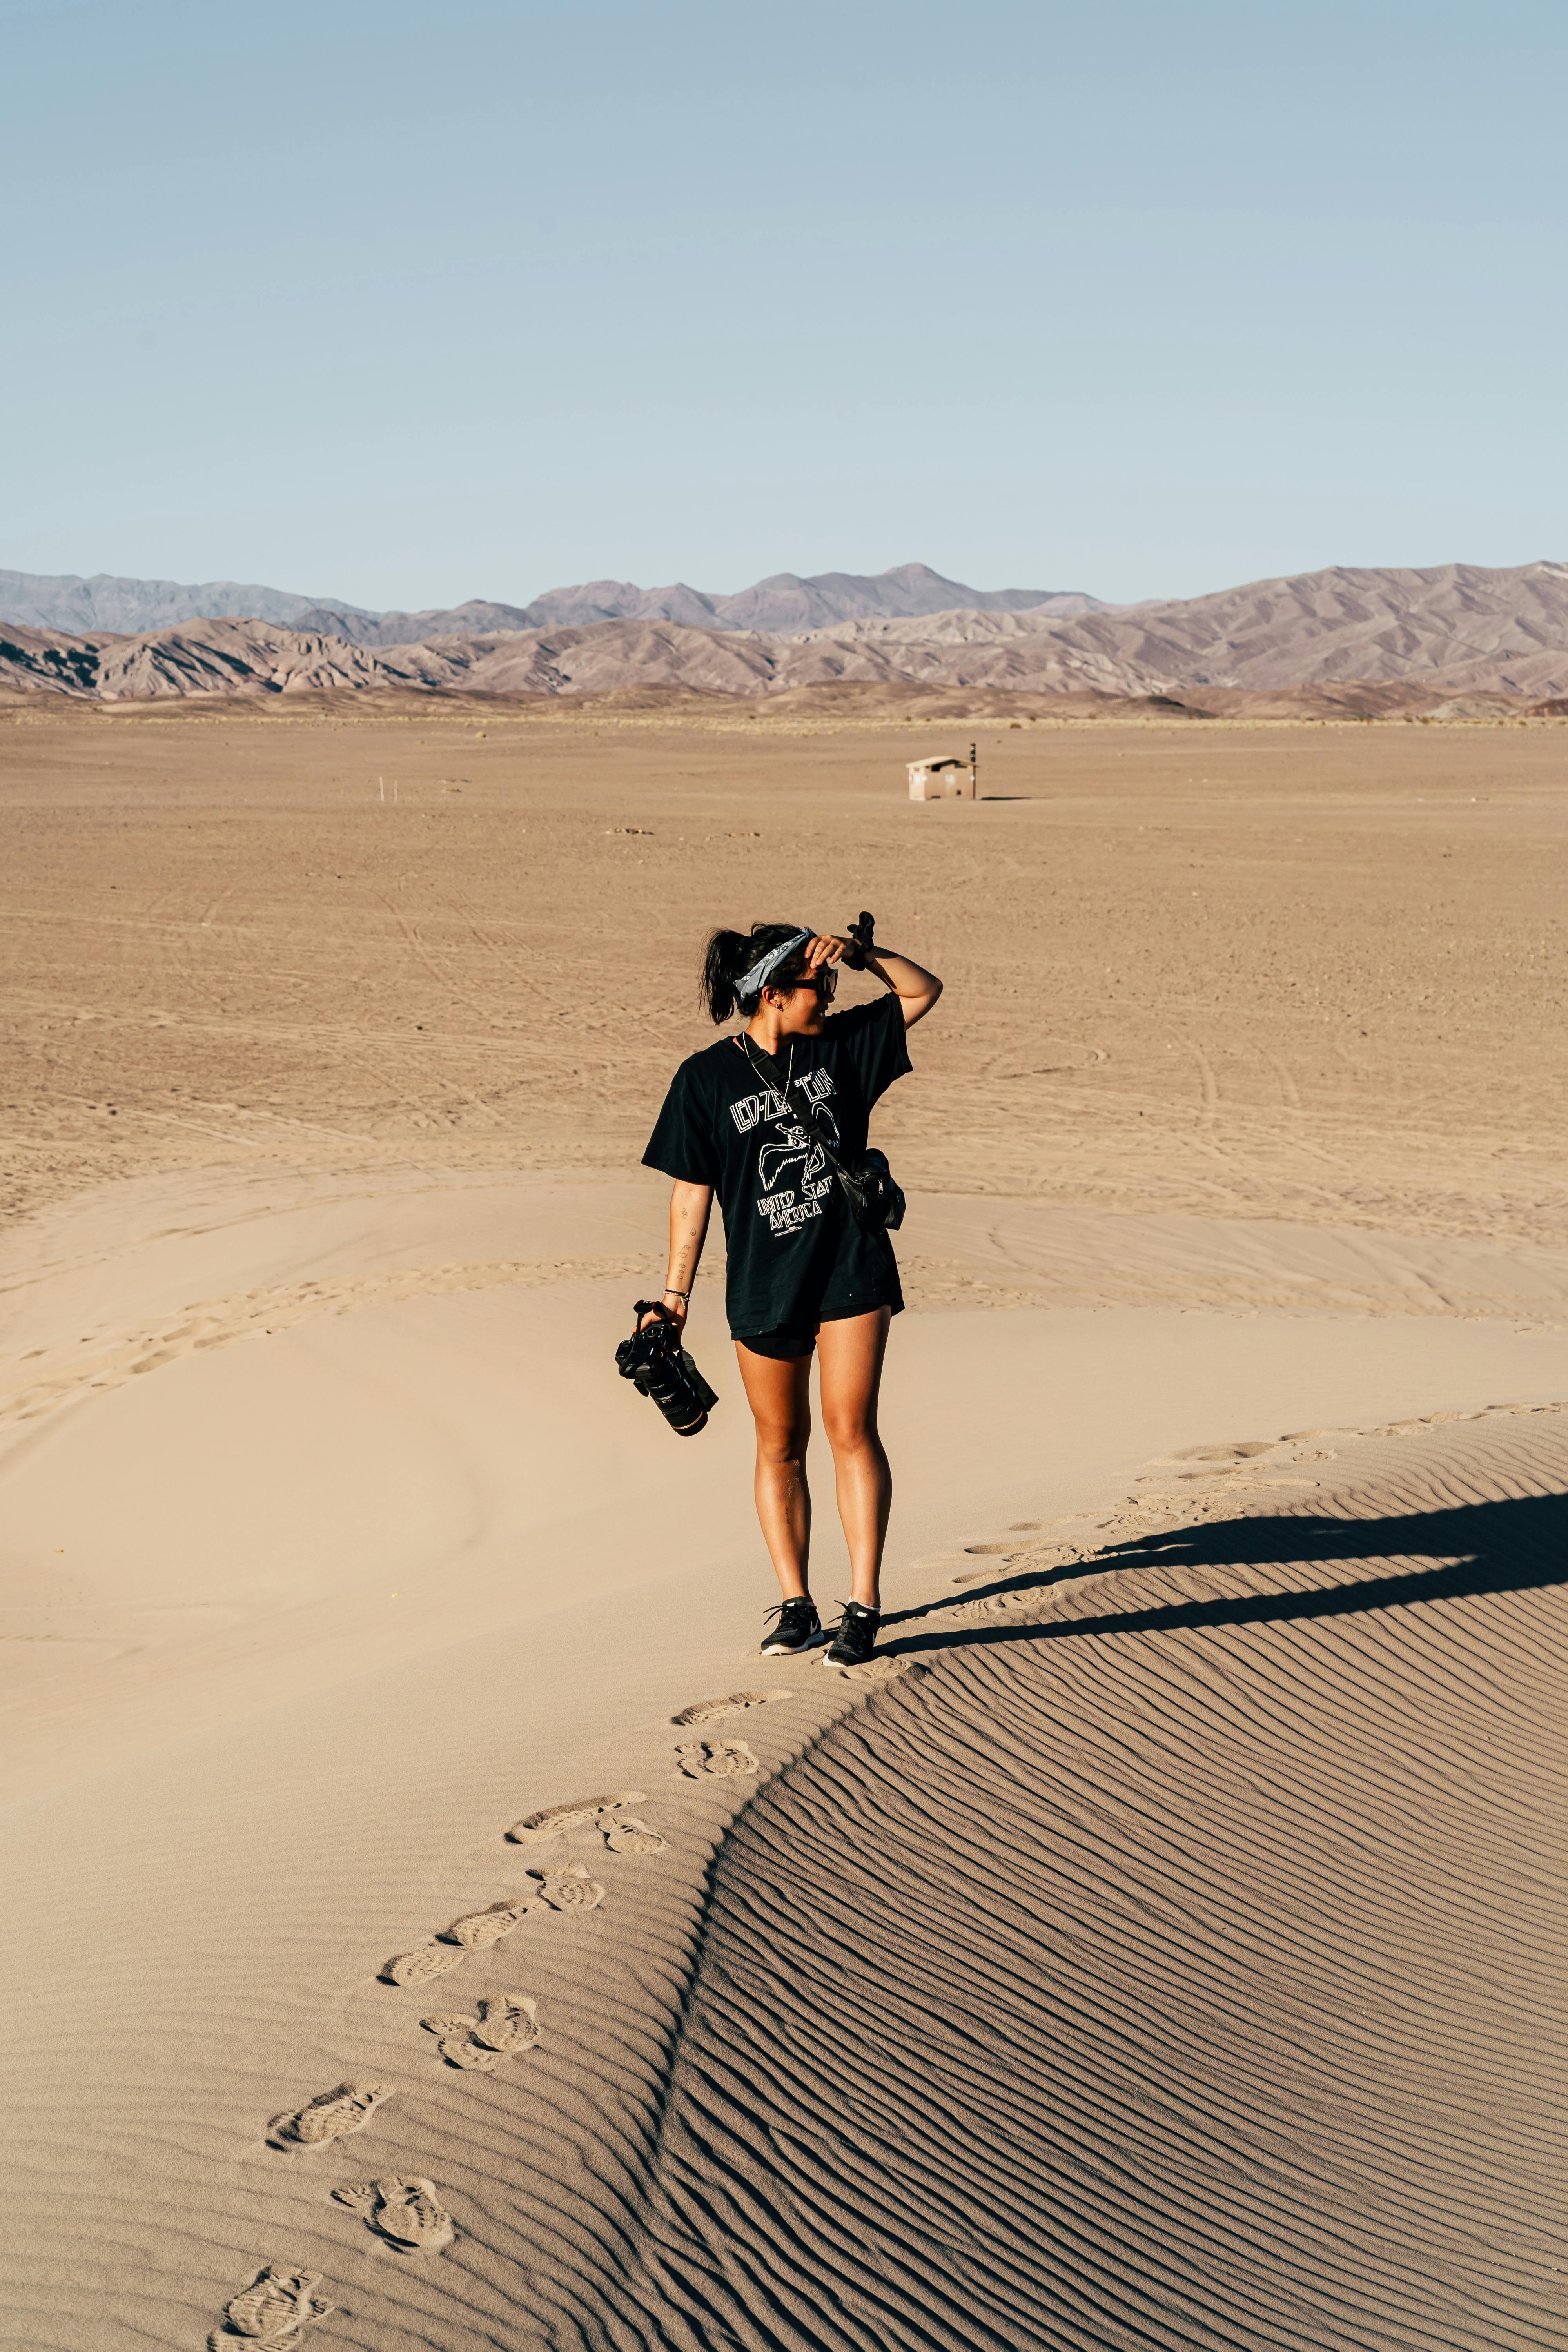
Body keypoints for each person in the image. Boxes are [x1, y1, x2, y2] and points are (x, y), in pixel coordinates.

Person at [640, 922, 943, 1667]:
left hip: (849, 1267)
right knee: (779, 1445)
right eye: (818, 987)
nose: (830, 997)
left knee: (850, 1428)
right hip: (763, 1280)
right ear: (772, 995)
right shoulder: (705, 1080)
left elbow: (922, 991)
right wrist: (672, 1299)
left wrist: (861, 955)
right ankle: (796, 1603)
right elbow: (691, 1195)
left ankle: (864, 1605)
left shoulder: (841, 1048)